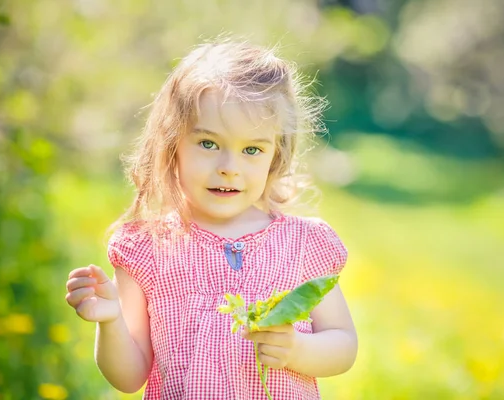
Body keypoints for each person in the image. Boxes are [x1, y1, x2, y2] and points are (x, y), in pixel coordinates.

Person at [65, 39, 358, 399]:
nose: (228, 169)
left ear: (276, 155)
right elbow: (129, 378)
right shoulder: (146, 249)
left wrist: (298, 349)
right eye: (208, 144)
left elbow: (342, 344)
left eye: (252, 149)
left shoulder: (302, 245)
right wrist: (110, 321)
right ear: (172, 144)